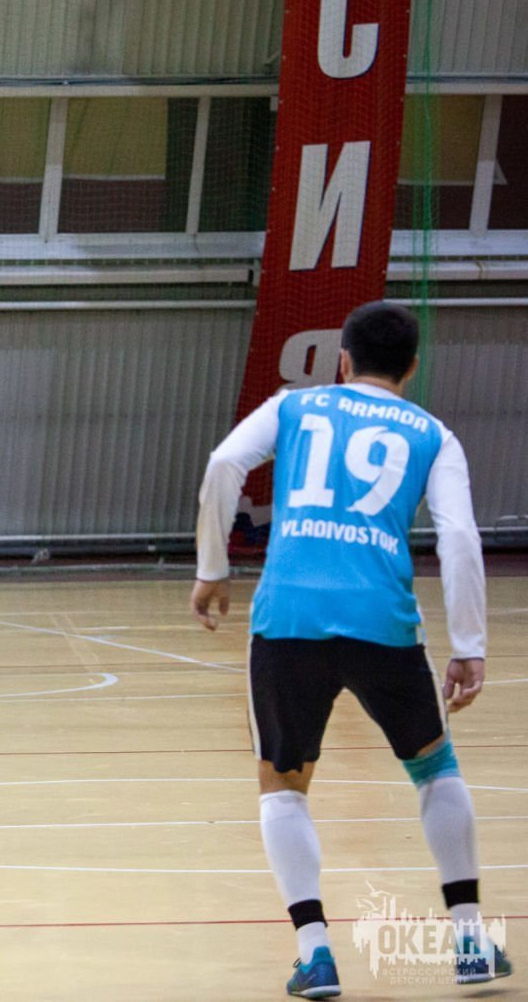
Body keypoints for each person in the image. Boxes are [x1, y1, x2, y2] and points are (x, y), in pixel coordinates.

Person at [192, 301, 509, 996]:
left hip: (289, 617)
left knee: (283, 784)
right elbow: (459, 537)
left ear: (342, 359)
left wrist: (213, 567)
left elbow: (224, 462)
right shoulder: (433, 435)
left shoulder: (294, 406)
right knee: (435, 767)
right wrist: (469, 644)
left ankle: (316, 954)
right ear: (412, 367)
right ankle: (470, 942)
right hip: (381, 620)